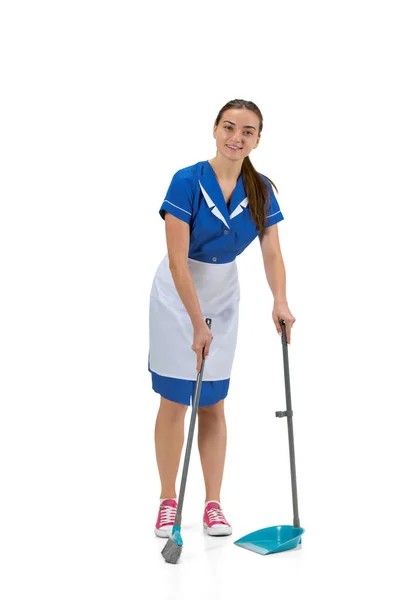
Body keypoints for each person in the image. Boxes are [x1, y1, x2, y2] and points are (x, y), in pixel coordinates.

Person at [148, 99, 296, 538]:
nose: (236, 137)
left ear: (257, 140)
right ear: (215, 129)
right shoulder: (187, 181)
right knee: (176, 398)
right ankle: (167, 499)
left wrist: (280, 301)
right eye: (229, 127)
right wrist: (196, 322)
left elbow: (271, 250)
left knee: (213, 401)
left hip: (223, 292)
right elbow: (177, 260)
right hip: (178, 295)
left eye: (247, 131)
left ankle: (213, 503)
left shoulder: (262, 188)